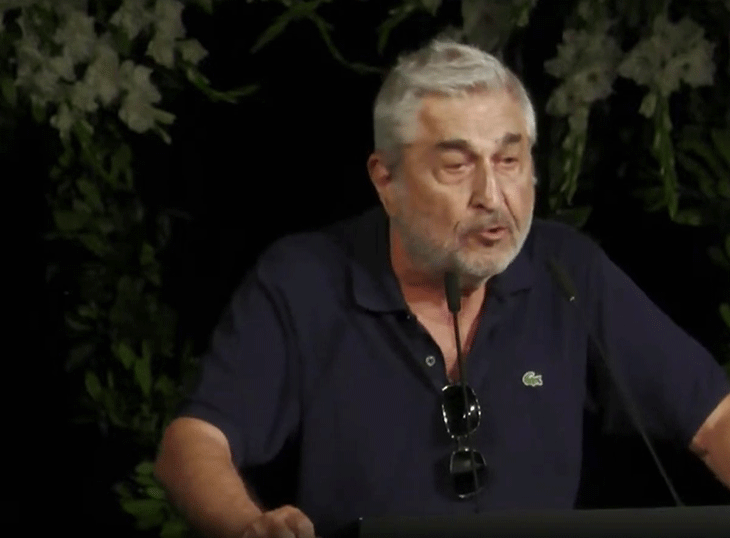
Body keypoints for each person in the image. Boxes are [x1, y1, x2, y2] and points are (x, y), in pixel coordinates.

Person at [154, 39, 730, 538]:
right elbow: (194, 442)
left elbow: (715, 421)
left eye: (509, 160)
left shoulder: (566, 270)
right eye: (457, 166)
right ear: (387, 180)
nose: (492, 196)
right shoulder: (306, 279)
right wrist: (248, 525)